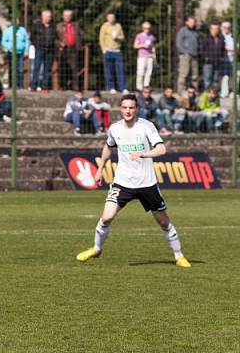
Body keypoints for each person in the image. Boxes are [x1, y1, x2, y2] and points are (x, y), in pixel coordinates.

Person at [76, 93, 191, 268]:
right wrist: (100, 168)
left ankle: (179, 255)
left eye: (131, 107)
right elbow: (108, 146)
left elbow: (161, 149)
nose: (128, 111)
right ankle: (96, 249)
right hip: (123, 183)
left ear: (136, 109)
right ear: (120, 109)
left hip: (147, 184)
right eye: (125, 107)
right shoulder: (114, 128)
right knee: (106, 217)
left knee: (163, 222)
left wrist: (142, 154)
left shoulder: (146, 126)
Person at [56, 9, 83, 90]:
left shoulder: (76, 25)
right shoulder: (58, 26)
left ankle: (75, 86)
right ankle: (63, 86)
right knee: (63, 68)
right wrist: (60, 44)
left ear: (71, 16)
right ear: (63, 16)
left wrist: (80, 45)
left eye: (69, 15)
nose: (67, 17)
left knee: (74, 68)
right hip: (63, 49)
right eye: (66, 15)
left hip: (74, 49)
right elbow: (55, 39)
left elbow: (81, 35)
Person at [99, 13, 126, 94]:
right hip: (108, 50)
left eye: (113, 17)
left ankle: (122, 87)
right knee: (109, 70)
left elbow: (122, 37)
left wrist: (118, 38)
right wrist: (103, 49)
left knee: (120, 69)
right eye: (110, 17)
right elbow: (101, 38)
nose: (111, 19)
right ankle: (111, 87)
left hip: (117, 50)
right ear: (107, 18)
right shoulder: (104, 26)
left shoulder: (118, 26)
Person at [30, 10, 55, 92]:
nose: (48, 18)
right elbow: (32, 37)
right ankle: (33, 85)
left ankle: (45, 86)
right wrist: (36, 44)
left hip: (49, 50)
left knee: (47, 69)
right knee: (36, 67)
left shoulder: (52, 26)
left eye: (49, 16)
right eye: (46, 16)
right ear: (42, 17)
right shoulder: (37, 25)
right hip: (39, 49)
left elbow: (55, 37)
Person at [1, 17, 29, 89]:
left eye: (17, 20)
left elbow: (26, 41)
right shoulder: (8, 30)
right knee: (12, 69)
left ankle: (20, 86)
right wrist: (10, 47)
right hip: (11, 53)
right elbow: (4, 41)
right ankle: (12, 85)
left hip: (20, 53)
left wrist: (26, 50)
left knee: (20, 69)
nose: (16, 21)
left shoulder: (22, 30)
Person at [176, 16, 199, 94]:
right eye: (191, 22)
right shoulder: (182, 31)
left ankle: (194, 92)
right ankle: (181, 91)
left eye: (194, 22)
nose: (192, 24)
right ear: (187, 22)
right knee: (183, 74)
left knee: (195, 76)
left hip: (195, 56)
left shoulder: (195, 32)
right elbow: (178, 43)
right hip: (185, 56)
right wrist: (184, 52)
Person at [199, 23, 225, 91]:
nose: (215, 30)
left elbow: (222, 49)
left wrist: (221, 57)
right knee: (207, 79)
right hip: (208, 63)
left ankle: (214, 94)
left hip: (217, 62)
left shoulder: (221, 38)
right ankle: (207, 94)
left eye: (216, 29)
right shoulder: (206, 38)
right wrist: (205, 57)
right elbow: (201, 49)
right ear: (210, 30)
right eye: (213, 29)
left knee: (216, 79)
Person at [133, 22, 156, 92]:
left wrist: (154, 55)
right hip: (142, 56)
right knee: (140, 72)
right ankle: (139, 87)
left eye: (148, 28)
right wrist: (143, 45)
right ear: (142, 28)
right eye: (145, 28)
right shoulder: (139, 36)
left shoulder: (151, 37)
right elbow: (135, 46)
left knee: (148, 72)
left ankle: (146, 86)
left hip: (149, 56)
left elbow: (153, 46)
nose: (147, 30)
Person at [220, 21, 234, 97]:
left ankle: (231, 91)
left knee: (231, 77)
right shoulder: (219, 36)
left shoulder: (233, 36)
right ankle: (222, 92)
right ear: (221, 28)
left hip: (232, 60)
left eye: (228, 27)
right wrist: (229, 49)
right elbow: (221, 47)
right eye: (225, 27)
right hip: (222, 59)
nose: (226, 29)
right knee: (222, 77)